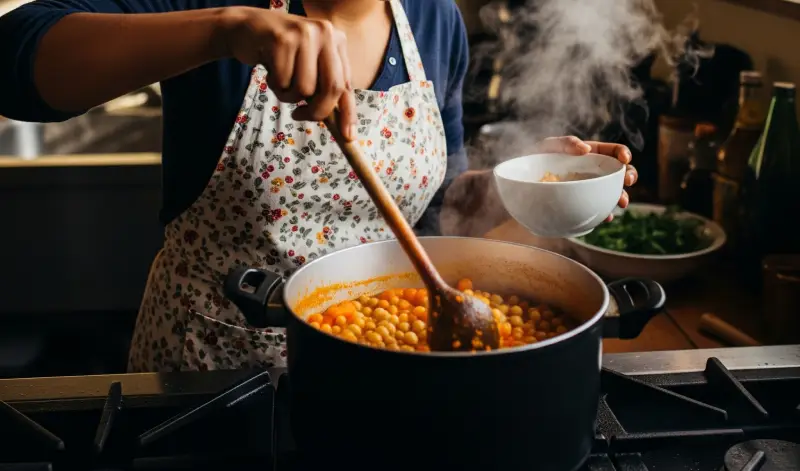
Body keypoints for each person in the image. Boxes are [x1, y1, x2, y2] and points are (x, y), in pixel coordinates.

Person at [0, 0, 637, 372]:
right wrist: (226, 29)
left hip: (377, 373)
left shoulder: (435, 18)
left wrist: (522, 186)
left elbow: (434, 209)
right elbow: (15, 58)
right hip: (212, 375)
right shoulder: (227, 6)